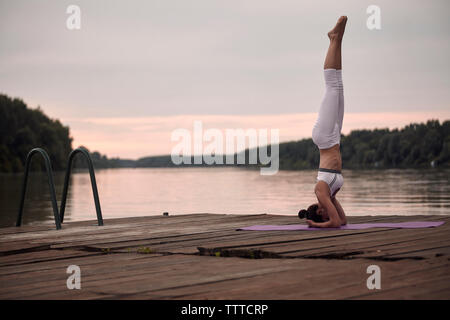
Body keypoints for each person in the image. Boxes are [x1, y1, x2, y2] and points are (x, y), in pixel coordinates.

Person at [302, 16, 348, 228]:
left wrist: (314, 224)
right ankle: (337, 40)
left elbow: (335, 223)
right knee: (338, 85)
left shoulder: (321, 190)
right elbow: (342, 220)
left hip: (324, 137)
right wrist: (328, 215)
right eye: (323, 213)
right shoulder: (331, 193)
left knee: (332, 87)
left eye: (318, 210)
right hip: (334, 138)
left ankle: (333, 39)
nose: (323, 208)